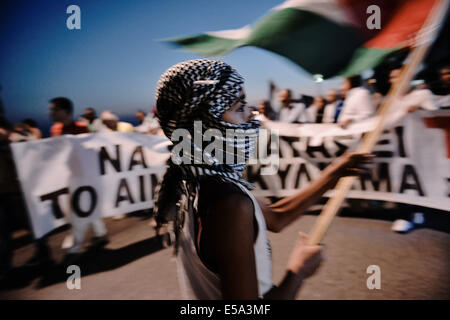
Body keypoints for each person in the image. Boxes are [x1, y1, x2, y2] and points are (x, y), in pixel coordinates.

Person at [153, 59, 373, 299]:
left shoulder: (194, 181)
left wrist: (335, 172)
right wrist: (298, 271)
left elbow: (277, 216)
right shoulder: (226, 201)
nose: (251, 115)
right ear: (205, 122)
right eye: (239, 107)